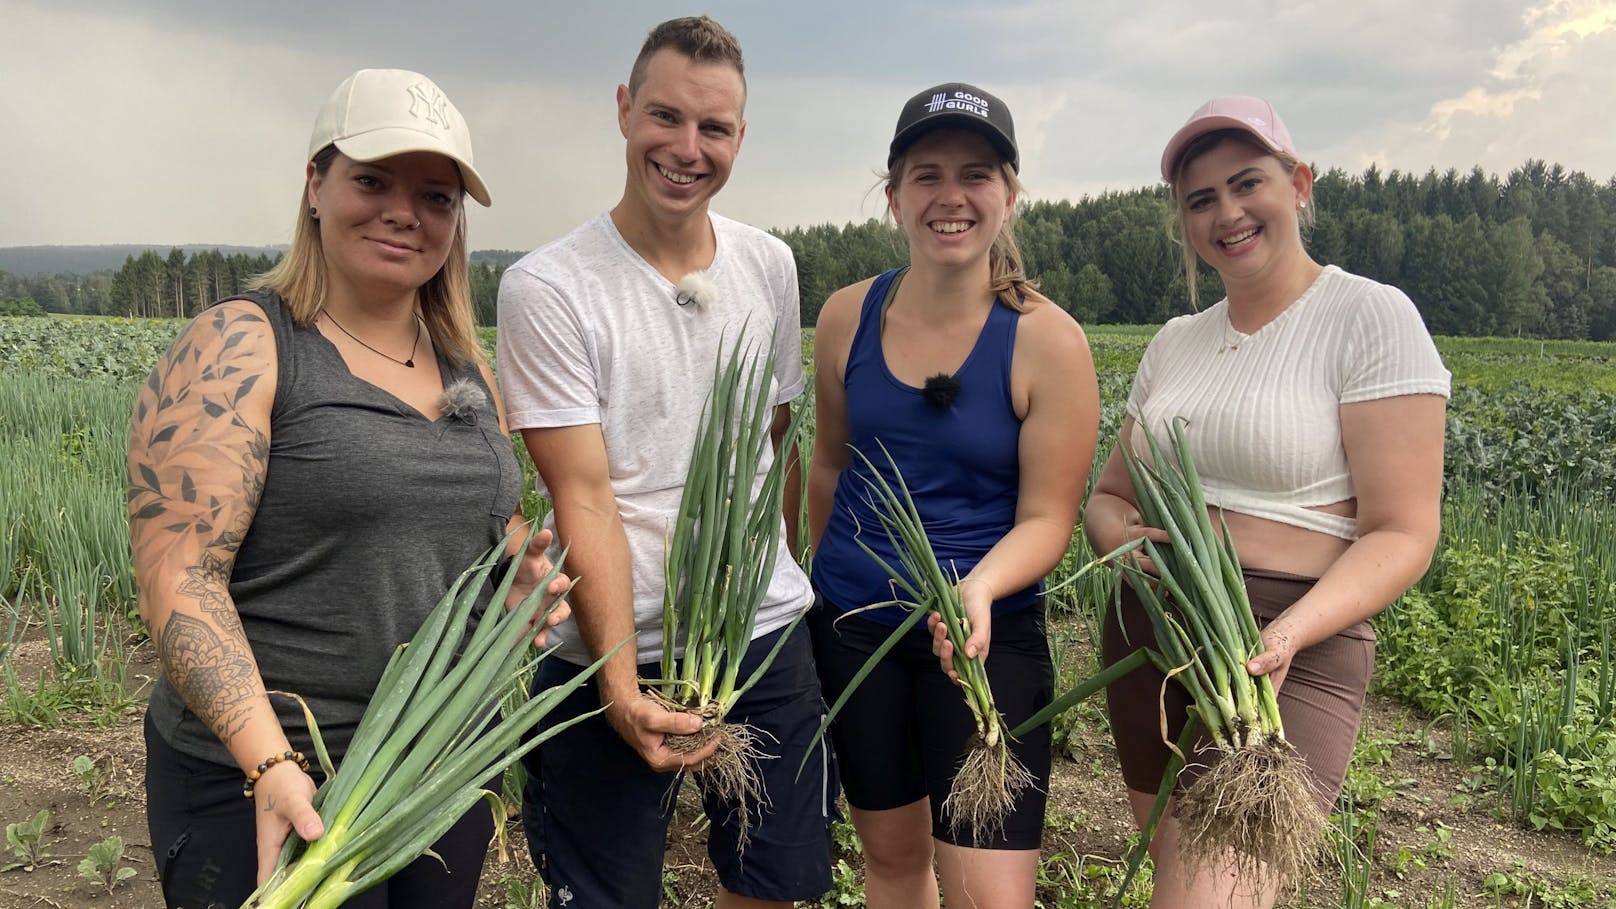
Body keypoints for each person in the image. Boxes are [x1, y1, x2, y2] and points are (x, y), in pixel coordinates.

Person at [129, 68, 568, 908]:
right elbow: (177, 574)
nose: (405, 210)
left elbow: (477, 515)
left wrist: (510, 568)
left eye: (436, 196)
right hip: (271, 778)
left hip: (434, 762)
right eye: (372, 180)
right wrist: (269, 762)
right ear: (315, 185)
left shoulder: (465, 359)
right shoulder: (242, 344)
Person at [496, 16, 836, 909]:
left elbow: (773, 446)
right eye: (665, 118)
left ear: (739, 137)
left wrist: (780, 579)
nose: (687, 149)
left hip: (761, 637)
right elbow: (584, 494)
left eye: (713, 128)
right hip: (613, 645)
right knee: (605, 892)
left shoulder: (768, 265)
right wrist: (615, 684)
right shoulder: (550, 287)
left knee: (773, 878)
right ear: (622, 111)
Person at [1085, 96, 1450, 908]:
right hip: (1154, 636)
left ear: (1299, 184)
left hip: (1285, 648)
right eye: (1200, 198)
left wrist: (1286, 634)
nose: (1227, 212)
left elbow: (1404, 530)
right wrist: (1122, 540)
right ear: (1183, 219)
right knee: (1174, 887)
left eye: (1247, 183)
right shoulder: (1174, 341)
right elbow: (1108, 498)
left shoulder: (1370, 317)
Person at [806, 83, 1101, 909]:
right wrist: (824, 589)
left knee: (986, 894)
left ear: (1009, 196)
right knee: (893, 862)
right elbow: (829, 466)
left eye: (976, 174)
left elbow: (1049, 518)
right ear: (894, 195)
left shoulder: (1048, 340)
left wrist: (980, 586)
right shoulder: (845, 318)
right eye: (926, 174)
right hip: (858, 631)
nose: (951, 197)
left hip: (984, 636)